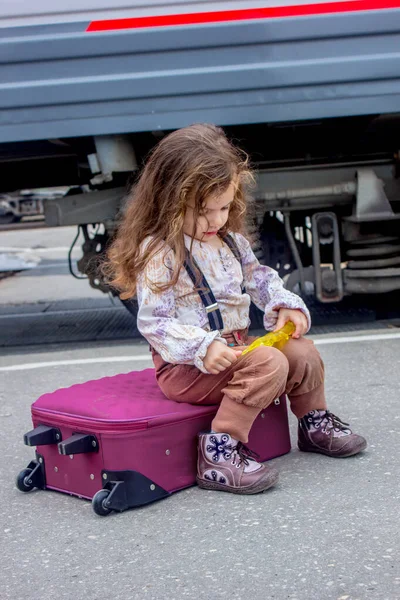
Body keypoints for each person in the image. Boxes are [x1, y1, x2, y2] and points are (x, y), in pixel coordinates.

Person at [104, 123, 367, 496]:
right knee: (270, 363)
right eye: (202, 211)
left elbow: (260, 278)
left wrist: (283, 305)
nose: (215, 220)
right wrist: (202, 346)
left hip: (236, 349)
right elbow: (155, 323)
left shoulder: (231, 242)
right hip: (187, 366)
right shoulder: (160, 252)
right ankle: (219, 451)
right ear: (168, 202)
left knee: (302, 352)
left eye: (224, 207)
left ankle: (314, 423)